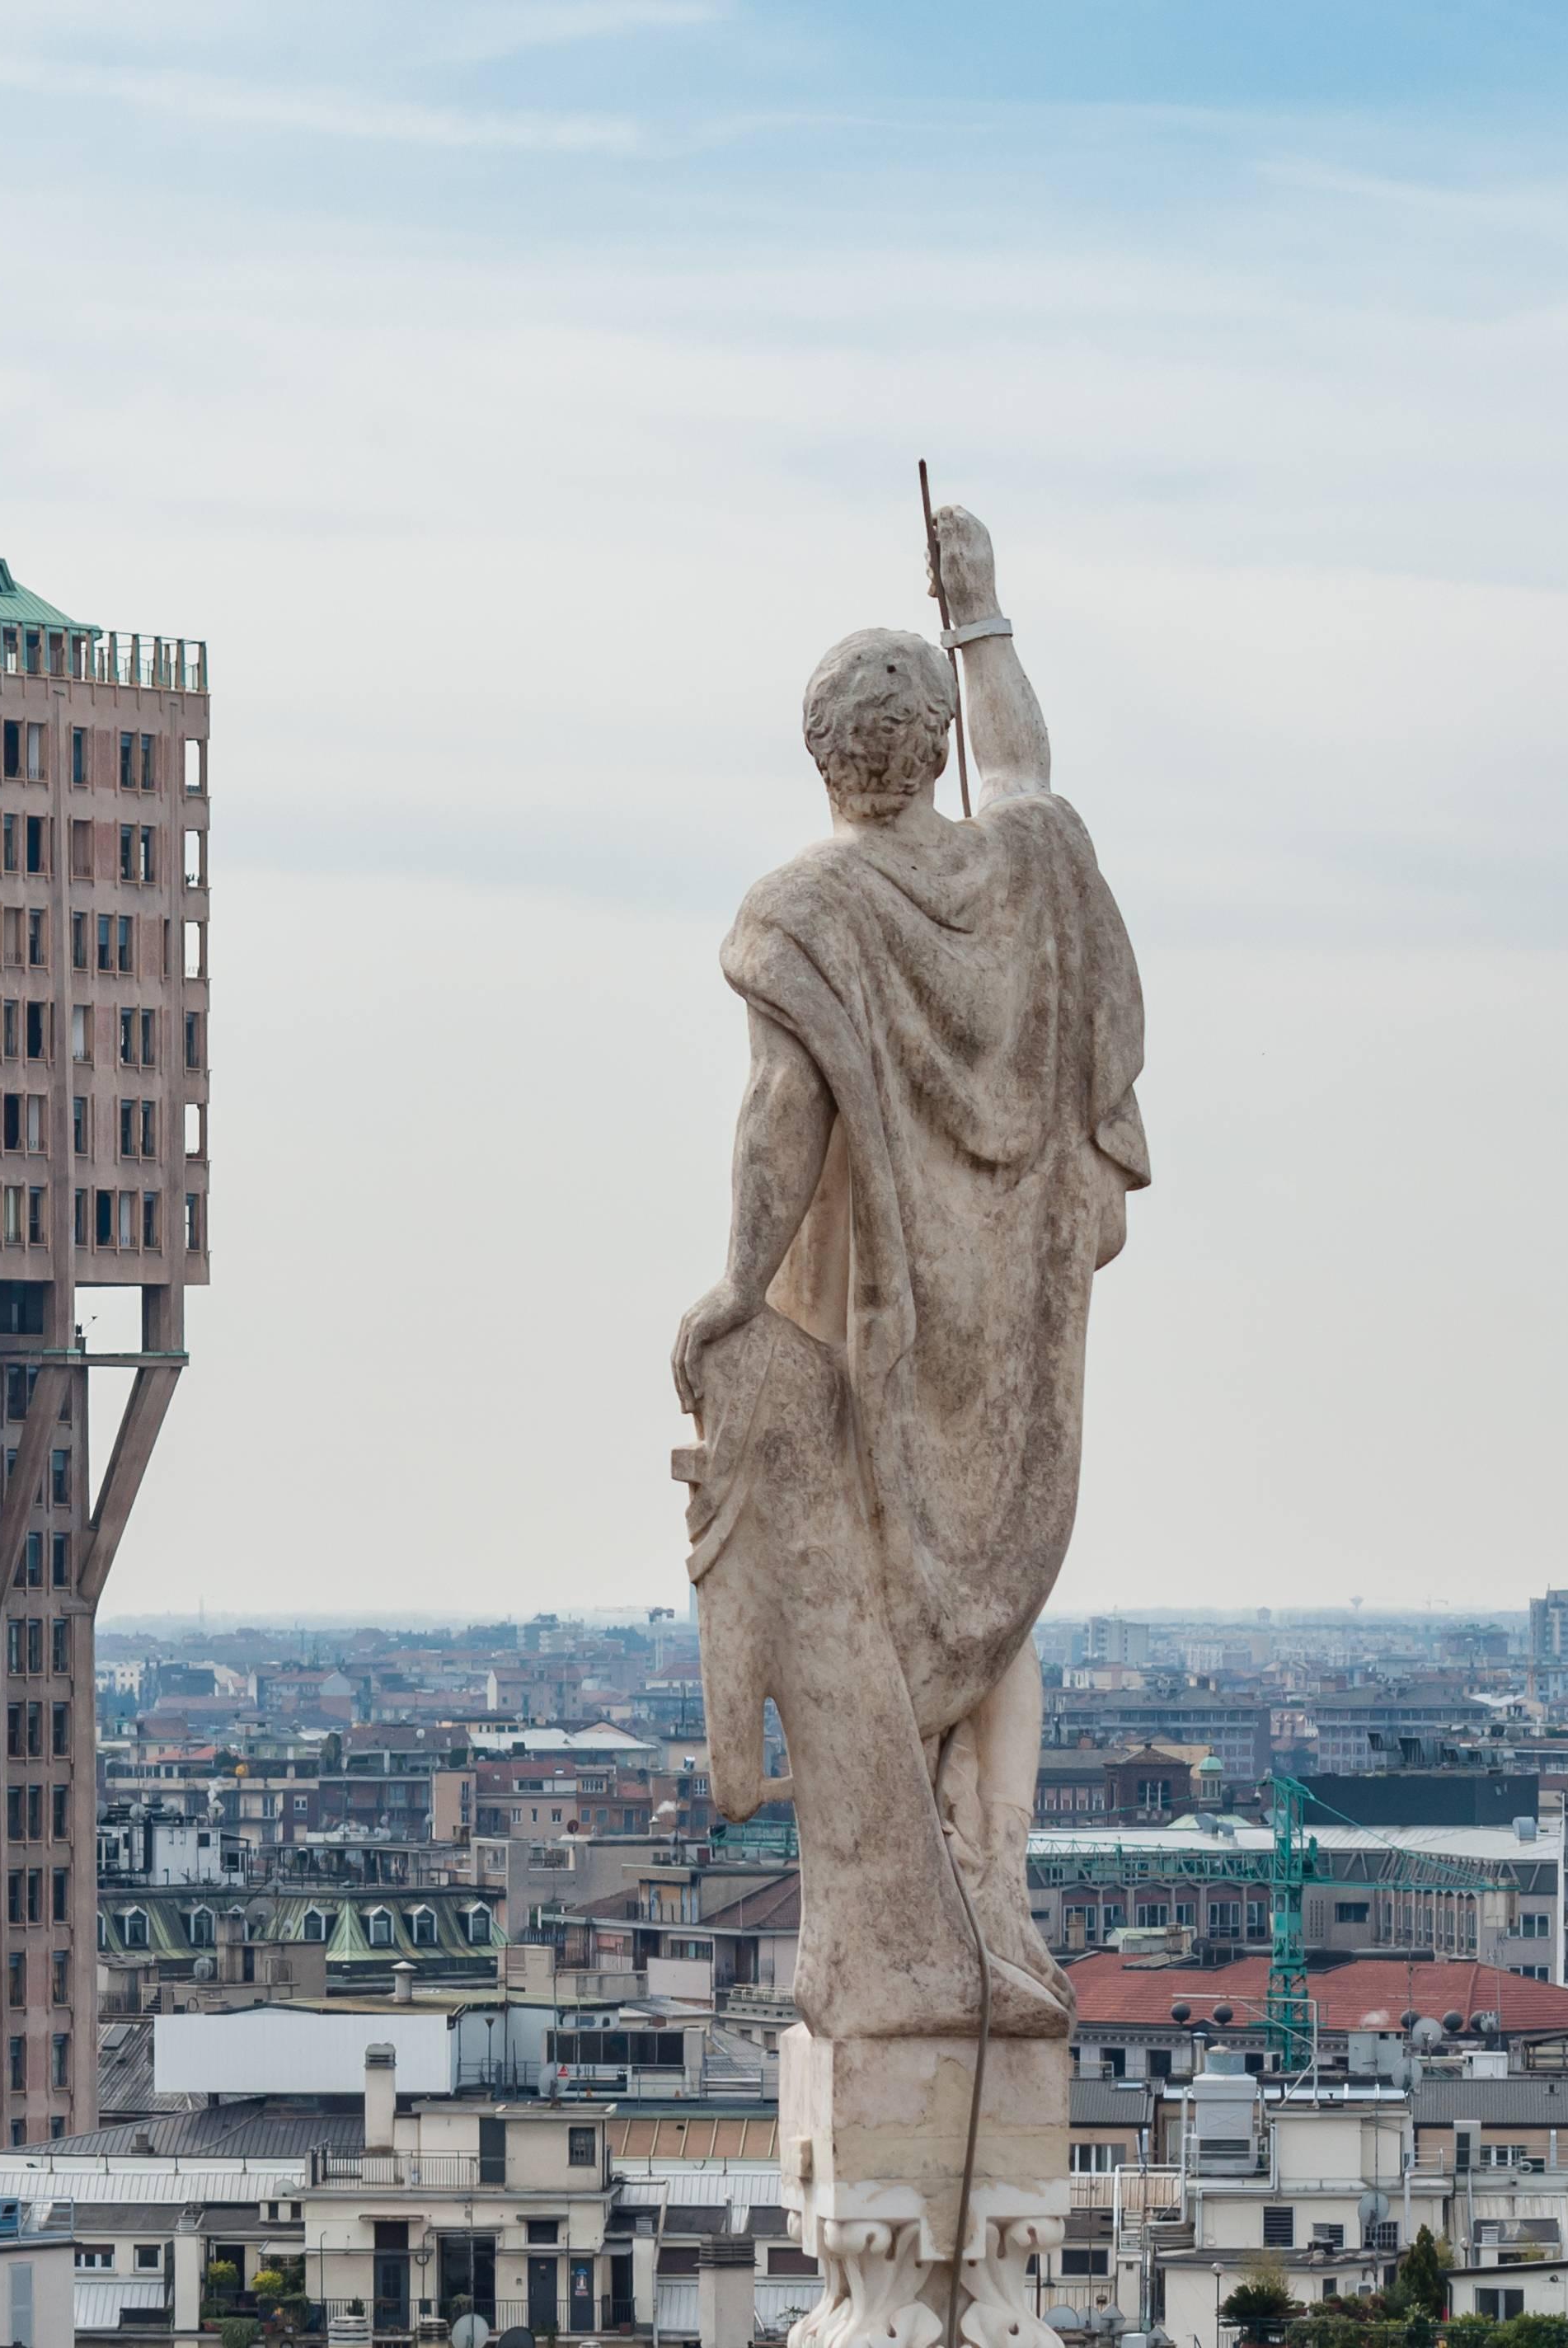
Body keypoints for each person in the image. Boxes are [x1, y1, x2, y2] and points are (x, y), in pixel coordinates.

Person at [671, 508, 1148, 2048]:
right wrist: (985, 612)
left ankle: (915, 1901)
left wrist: (742, 1288)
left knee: (885, 1605)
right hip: (1014, 1322)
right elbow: (1032, 777)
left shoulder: (807, 912)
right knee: (1000, 1609)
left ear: (825, 761)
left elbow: (781, 1121)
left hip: (885, 1326)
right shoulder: (1027, 871)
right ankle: (987, 1885)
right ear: (930, 745)